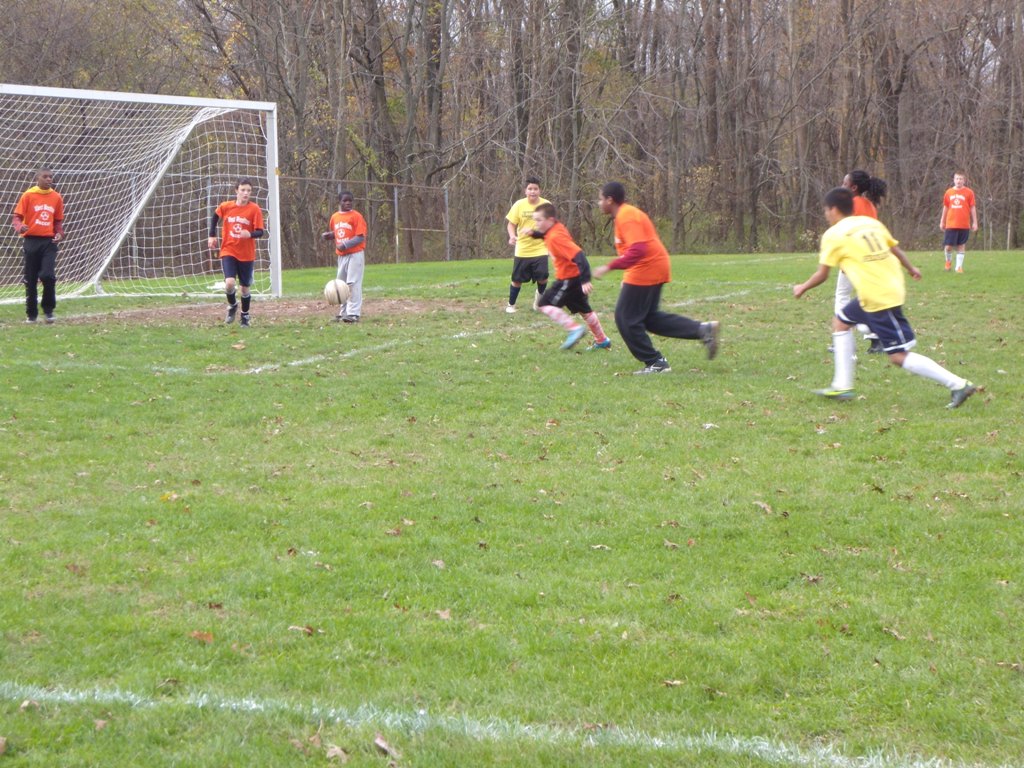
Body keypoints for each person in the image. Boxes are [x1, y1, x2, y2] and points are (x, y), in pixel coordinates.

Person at [793, 187, 976, 408]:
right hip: (884, 289)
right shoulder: (870, 223)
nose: (826, 215)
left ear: (832, 209)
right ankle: (842, 385)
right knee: (841, 322)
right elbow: (895, 250)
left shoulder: (834, 234)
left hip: (878, 297)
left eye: (825, 210)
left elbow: (823, 274)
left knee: (898, 356)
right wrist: (911, 268)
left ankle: (958, 384)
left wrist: (802, 287)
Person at [592, 181, 719, 374]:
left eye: (600, 199)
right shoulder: (624, 215)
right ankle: (702, 330)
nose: (599, 203)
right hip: (651, 266)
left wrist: (610, 267)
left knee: (625, 318)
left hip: (647, 267)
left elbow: (638, 249)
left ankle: (655, 362)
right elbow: (634, 250)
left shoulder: (627, 216)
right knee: (649, 318)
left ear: (610, 200)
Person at [527, 203, 610, 351]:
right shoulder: (555, 228)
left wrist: (586, 280)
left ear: (550, 220)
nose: (536, 223)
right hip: (575, 278)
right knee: (585, 312)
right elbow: (546, 235)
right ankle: (602, 340)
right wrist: (534, 234)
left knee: (545, 304)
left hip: (568, 279)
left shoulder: (555, 237)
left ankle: (574, 329)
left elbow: (579, 255)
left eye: (539, 220)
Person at [836, 170, 888, 354]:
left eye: (844, 183)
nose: (842, 186)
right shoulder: (870, 205)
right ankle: (876, 339)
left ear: (853, 187)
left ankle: (842, 340)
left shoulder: (849, 205)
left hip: (854, 257)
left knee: (842, 295)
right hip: (871, 257)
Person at [208, 179, 266, 327]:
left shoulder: (255, 209)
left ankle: (245, 316)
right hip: (229, 250)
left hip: (246, 254)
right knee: (229, 283)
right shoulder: (226, 206)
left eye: (248, 191)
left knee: (244, 288)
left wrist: (250, 234)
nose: (246, 193)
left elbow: (260, 232)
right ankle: (233, 305)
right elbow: (215, 217)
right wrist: (212, 235)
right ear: (236, 191)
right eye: (243, 190)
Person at [11, 168, 64, 324]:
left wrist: (60, 233)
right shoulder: (28, 195)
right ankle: (31, 314)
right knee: (31, 278)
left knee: (48, 275)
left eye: (51, 177)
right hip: (31, 241)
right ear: (37, 178)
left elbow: (58, 221)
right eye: (45, 176)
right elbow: (17, 217)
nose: (49, 179)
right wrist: (20, 227)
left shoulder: (56, 197)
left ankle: (48, 311)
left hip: (48, 242)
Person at [504, 176, 549, 313]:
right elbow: (511, 224)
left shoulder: (546, 205)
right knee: (517, 280)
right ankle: (511, 305)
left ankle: (539, 301)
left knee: (543, 277)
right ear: (525, 191)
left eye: (535, 189)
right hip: (523, 249)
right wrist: (512, 236)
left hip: (540, 248)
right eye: (530, 189)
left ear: (539, 190)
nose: (533, 191)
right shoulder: (519, 205)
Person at [321, 190, 367, 323]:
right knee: (341, 285)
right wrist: (329, 235)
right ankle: (343, 312)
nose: (347, 203)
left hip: (355, 254)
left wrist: (345, 244)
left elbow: (360, 237)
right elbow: (339, 233)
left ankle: (353, 313)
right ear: (339, 202)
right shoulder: (335, 217)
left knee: (353, 283)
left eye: (350, 201)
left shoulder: (356, 216)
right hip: (342, 256)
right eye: (345, 201)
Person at [939, 171, 978, 273]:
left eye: (961, 179)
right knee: (948, 247)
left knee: (961, 245)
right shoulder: (949, 192)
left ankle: (958, 267)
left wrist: (975, 222)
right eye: (957, 179)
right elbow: (946, 207)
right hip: (951, 224)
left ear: (964, 180)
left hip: (964, 224)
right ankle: (948, 262)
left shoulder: (969, 192)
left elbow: (972, 207)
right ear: (954, 179)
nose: (958, 181)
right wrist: (942, 221)